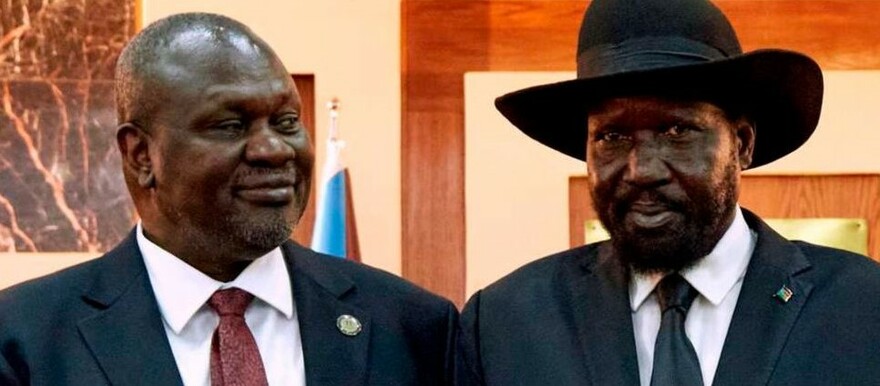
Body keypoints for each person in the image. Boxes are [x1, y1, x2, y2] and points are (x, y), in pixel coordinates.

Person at [0, 13, 457, 385]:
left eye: (286, 122)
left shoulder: (412, 326)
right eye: (230, 126)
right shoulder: (24, 338)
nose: (274, 150)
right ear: (141, 154)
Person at [457, 0, 880, 385]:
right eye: (612, 136)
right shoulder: (506, 323)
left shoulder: (863, 308)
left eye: (677, 130)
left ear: (743, 144)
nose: (642, 170)